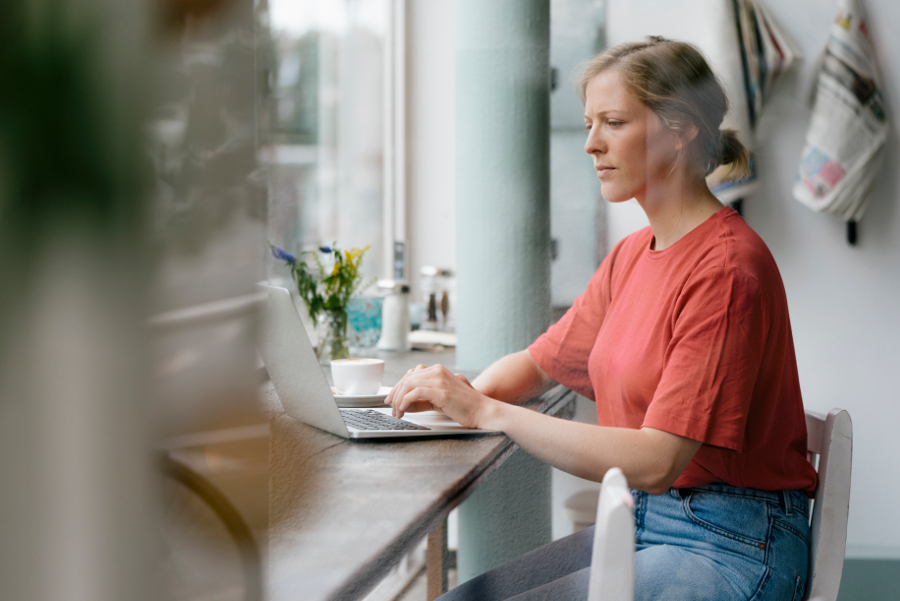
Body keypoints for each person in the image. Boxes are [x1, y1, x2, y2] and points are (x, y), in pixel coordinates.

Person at [385, 36, 817, 601]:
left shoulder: (727, 271)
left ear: (682, 127)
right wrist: (452, 401)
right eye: (589, 123)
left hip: (731, 544)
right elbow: (539, 364)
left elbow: (659, 460)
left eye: (613, 122)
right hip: (644, 523)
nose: (591, 144)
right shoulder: (633, 255)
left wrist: (488, 412)